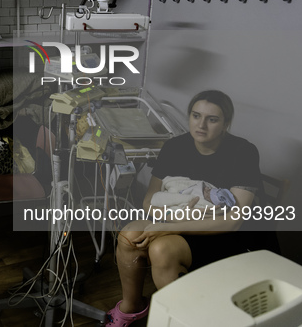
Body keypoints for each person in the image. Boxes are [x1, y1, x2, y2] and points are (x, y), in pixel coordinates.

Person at [106, 90, 263, 327]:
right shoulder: (174, 147)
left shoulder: (243, 152)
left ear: (226, 124)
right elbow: (149, 201)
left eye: (212, 119)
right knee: (128, 236)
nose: (201, 125)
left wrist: (169, 227)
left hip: (225, 236)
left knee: (161, 249)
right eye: (196, 115)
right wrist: (173, 218)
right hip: (180, 219)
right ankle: (132, 308)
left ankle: (186, 320)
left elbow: (232, 222)